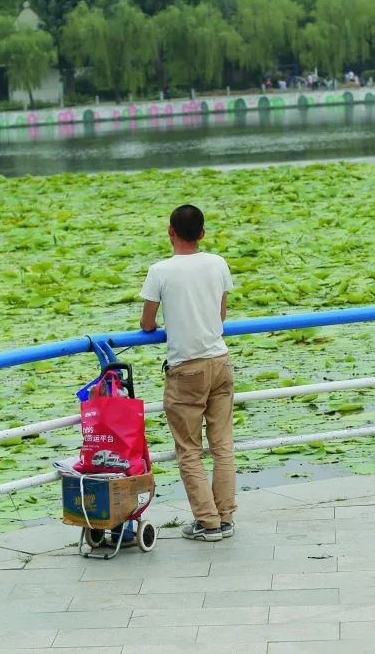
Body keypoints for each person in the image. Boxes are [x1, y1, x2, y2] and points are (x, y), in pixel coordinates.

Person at [140, 205, 236, 542]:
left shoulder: (160, 271)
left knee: (189, 450)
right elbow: (221, 314)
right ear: (202, 234)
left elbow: (147, 323)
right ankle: (225, 517)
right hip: (220, 362)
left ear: (170, 231)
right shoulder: (218, 263)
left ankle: (208, 523)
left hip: (186, 369)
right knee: (222, 445)